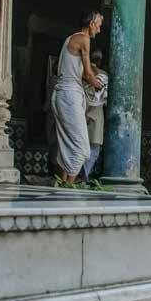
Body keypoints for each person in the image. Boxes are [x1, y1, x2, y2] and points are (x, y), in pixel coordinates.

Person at [51, 10, 103, 184]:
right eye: (98, 26)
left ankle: (63, 185)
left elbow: (79, 72)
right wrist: (100, 86)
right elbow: (88, 74)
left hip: (62, 94)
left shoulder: (70, 38)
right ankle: (69, 186)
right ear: (91, 24)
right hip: (69, 95)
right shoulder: (84, 39)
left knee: (66, 146)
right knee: (82, 149)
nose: (99, 30)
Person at [81, 49, 108, 182]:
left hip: (82, 111)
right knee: (94, 148)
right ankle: (83, 176)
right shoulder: (102, 75)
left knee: (82, 145)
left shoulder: (82, 72)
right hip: (94, 115)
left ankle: (79, 175)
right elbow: (99, 97)